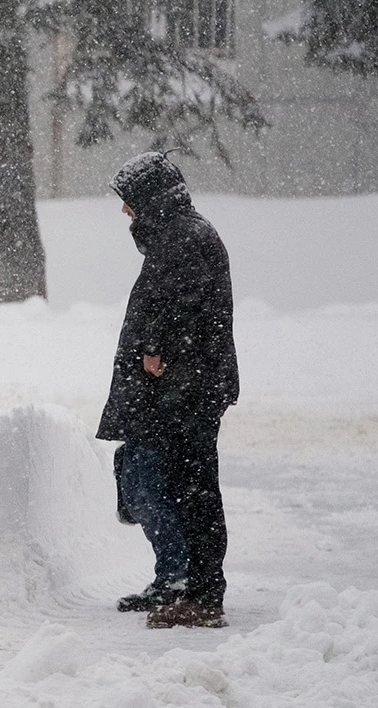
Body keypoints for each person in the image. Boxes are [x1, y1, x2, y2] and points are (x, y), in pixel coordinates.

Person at [99, 151, 239, 629]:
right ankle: (183, 583)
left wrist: (155, 349)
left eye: (130, 200)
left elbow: (180, 308)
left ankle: (201, 594)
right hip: (183, 385)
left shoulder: (186, 238)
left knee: (193, 492)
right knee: (173, 486)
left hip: (187, 388)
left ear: (152, 199)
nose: (125, 211)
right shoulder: (179, 235)